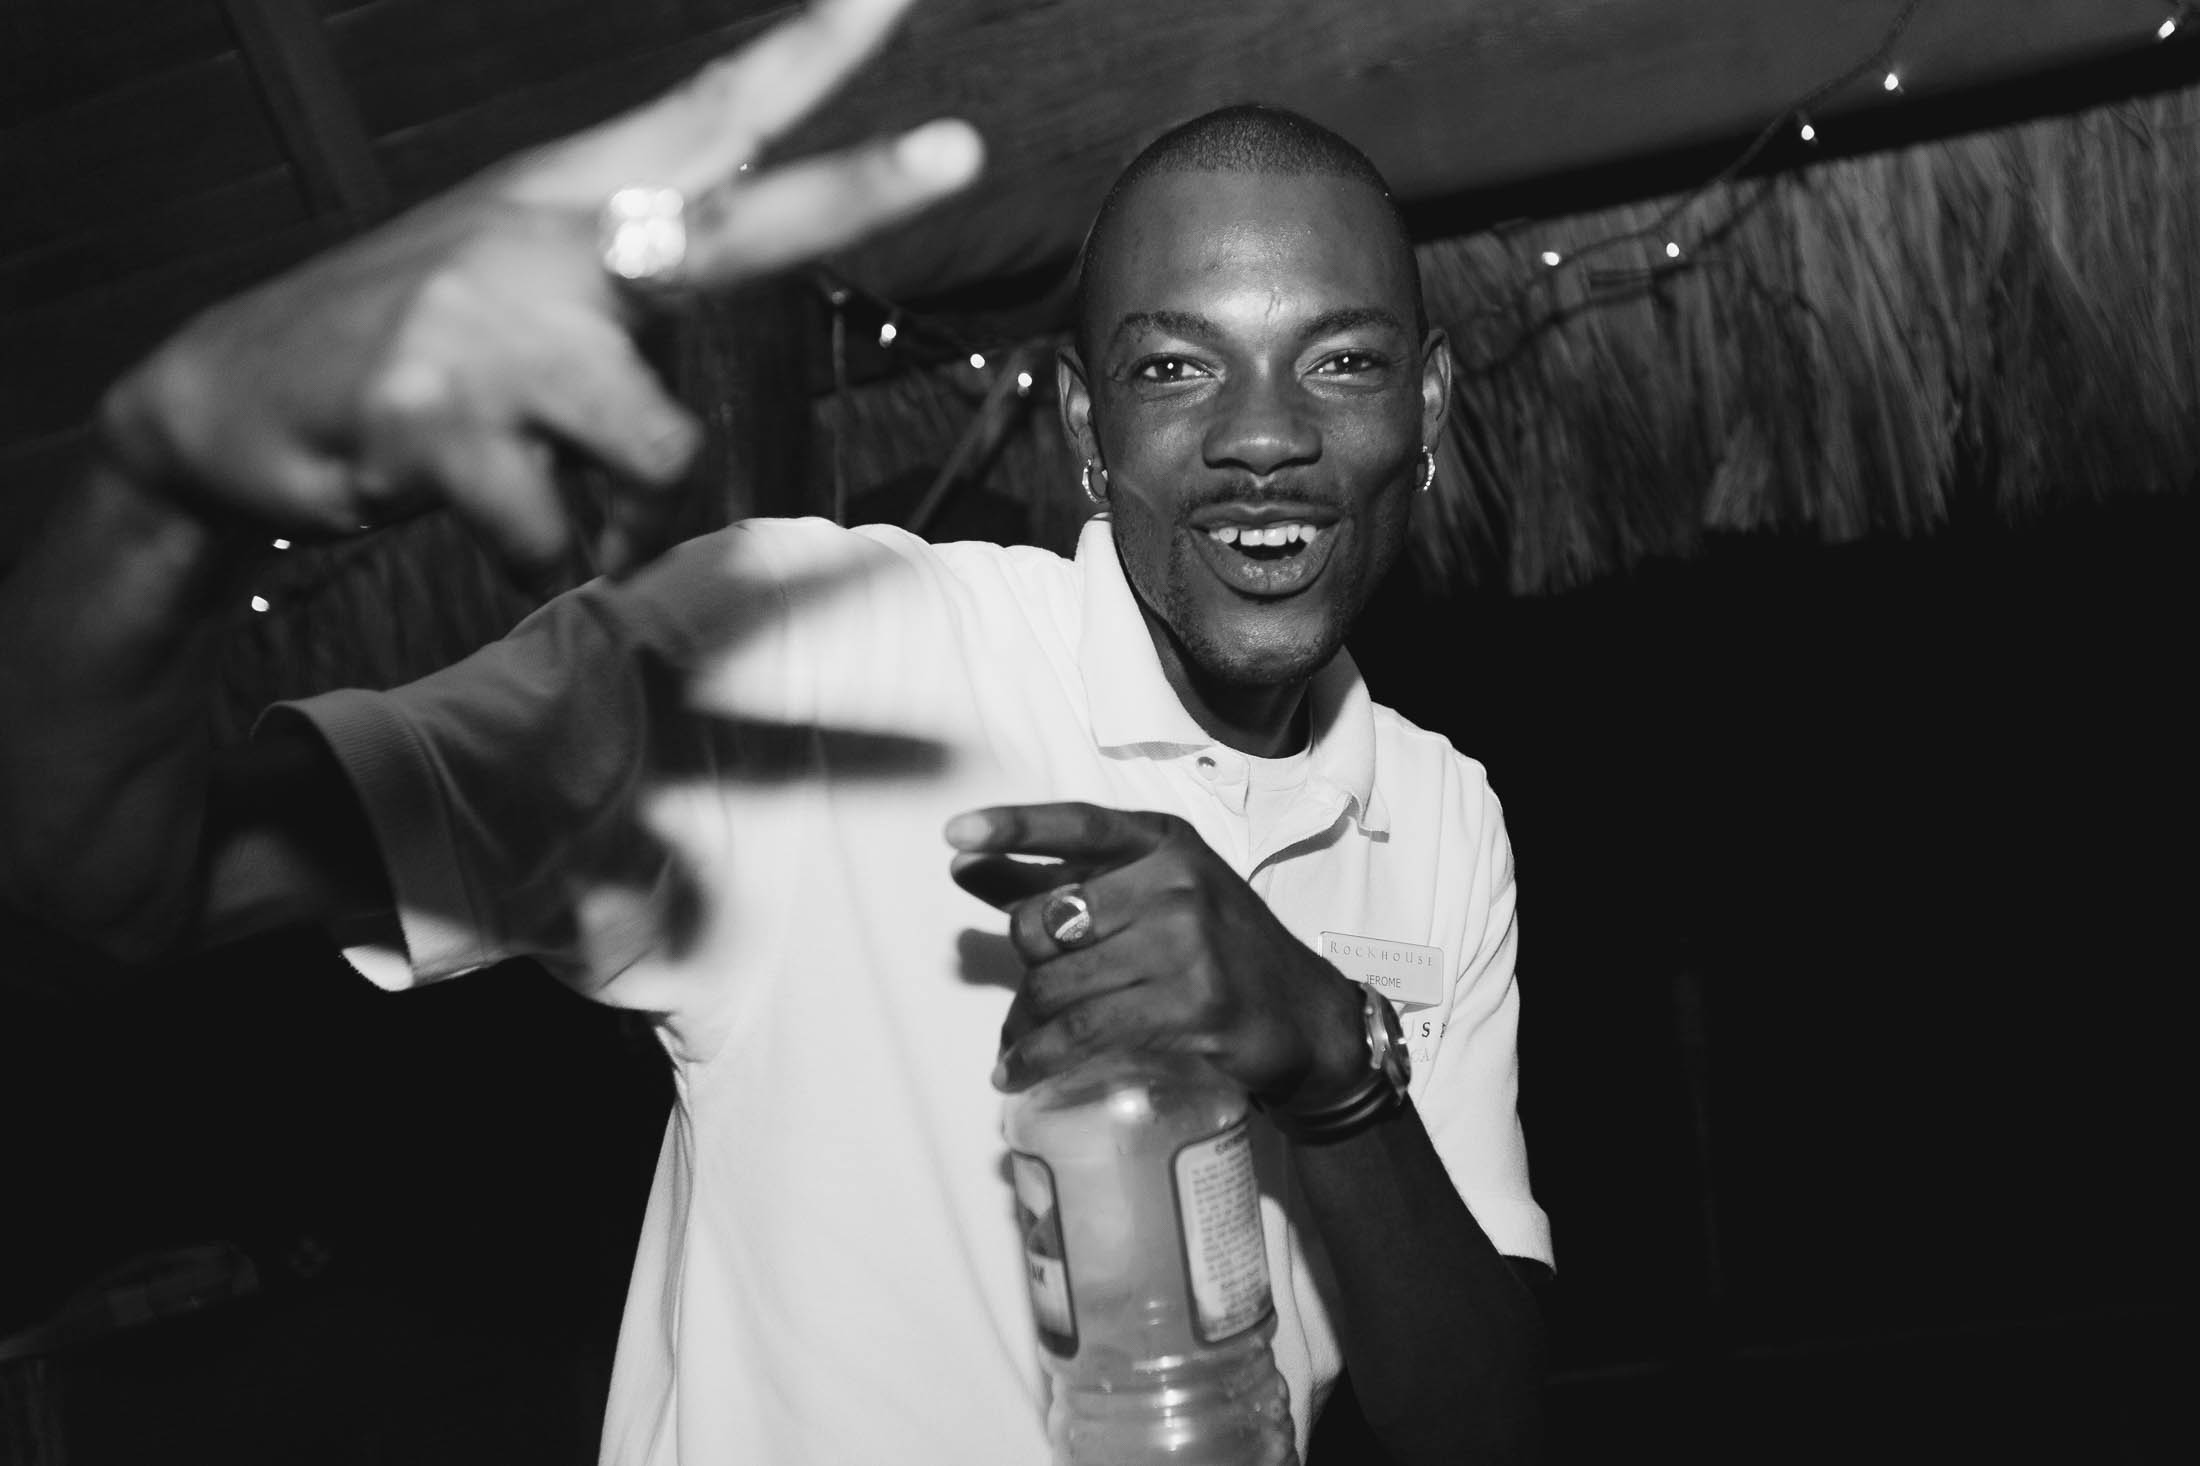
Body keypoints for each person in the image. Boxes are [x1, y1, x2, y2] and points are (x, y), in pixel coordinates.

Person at [0, 0, 1550, 1460]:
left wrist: (1330, 1062)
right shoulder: (823, 654)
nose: (1266, 434)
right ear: (1087, 424)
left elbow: (1488, 1425)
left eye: (1341, 361)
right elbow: (114, 880)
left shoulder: (1439, 812)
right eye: (1174, 366)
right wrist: (153, 496)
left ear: (1426, 409)